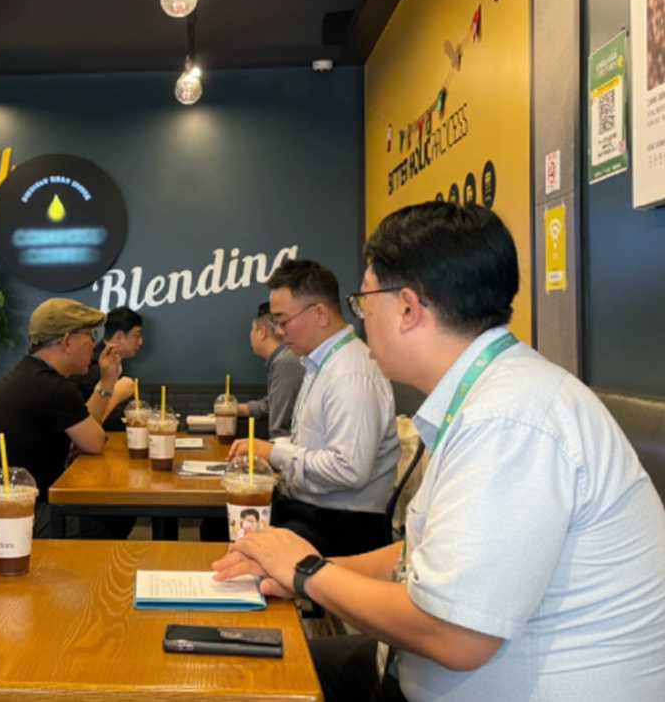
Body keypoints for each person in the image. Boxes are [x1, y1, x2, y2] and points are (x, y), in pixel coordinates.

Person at [214, 201, 665, 702]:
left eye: (364, 302)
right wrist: (303, 567)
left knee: (245, 686)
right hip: (410, 667)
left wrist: (307, 573)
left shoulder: (509, 417)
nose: (361, 321)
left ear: (408, 308)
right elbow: (417, 555)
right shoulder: (487, 395)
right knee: (245, 669)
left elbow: (456, 635)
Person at [228, 259, 399, 557]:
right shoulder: (321, 363)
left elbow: (349, 470)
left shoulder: (350, 373)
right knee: (225, 525)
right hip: (316, 511)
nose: (279, 332)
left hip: (343, 526)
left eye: (282, 321)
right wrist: (268, 452)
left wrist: (275, 453)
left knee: (233, 538)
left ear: (320, 313)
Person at [0, 298, 127, 538]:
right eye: (90, 336)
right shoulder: (54, 387)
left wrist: (106, 381)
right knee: (115, 518)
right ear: (67, 341)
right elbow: (95, 443)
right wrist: (108, 384)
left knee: (109, 513)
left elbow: (85, 436)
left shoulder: (31, 374)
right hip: (10, 517)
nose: (93, 345)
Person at [235, 301, 305, 438]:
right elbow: (272, 405)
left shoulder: (286, 362)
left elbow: (279, 430)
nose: (250, 335)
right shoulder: (285, 359)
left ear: (262, 332)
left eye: (252, 329)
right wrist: (233, 409)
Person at [69, 306, 144, 424]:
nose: (140, 342)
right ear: (119, 336)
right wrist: (118, 393)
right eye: (136, 335)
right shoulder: (89, 368)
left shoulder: (115, 363)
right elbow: (81, 424)